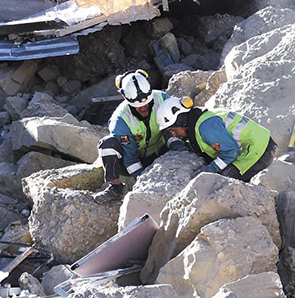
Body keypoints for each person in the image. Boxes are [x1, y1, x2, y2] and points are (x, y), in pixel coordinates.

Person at [92, 69, 173, 204]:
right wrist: (141, 181)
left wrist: (177, 148)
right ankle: (115, 188)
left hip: (160, 153)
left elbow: (171, 129)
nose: (144, 108)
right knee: (107, 145)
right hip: (133, 159)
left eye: (146, 103)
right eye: (138, 106)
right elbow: (130, 158)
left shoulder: (163, 99)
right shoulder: (120, 121)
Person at [156, 96, 277, 181]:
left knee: (222, 182)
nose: (174, 135)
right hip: (254, 146)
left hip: (259, 149)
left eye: (172, 130)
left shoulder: (206, 127)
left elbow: (231, 151)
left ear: (181, 121)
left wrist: (210, 170)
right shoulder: (198, 121)